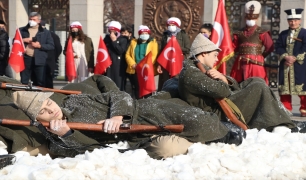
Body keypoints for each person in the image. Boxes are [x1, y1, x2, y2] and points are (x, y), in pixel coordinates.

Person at [1, 75, 243, 160]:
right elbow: (86, 152)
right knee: (168, 145)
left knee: (191, 116)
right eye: (42, 111)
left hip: (143, 112)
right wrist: (67, 135)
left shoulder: (75, 101)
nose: (51, 110)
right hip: (138, 140)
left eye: (49, 103)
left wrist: (117, 115)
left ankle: (225, 130)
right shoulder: (55, 136)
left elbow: (118, 95)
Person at [178, 33, 306, 133]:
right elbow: (222, 91)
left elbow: (232, 86)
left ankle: (282, 120)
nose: (216, 59)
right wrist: (223, 80)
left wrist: (224, 79)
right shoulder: (192, 73)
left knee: (256, 80)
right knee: (258, 87)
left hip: (223, 103)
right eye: (214, 55)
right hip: (218, 112)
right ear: (203, 54)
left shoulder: (201, 68)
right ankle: (284, 124)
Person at [275, 8, 306, 117]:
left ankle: (304, 109)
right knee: (285, 88)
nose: (293, 22)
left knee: (303, 87)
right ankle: (286, 108)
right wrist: (286, 57)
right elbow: (278, 47)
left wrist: (295, 58)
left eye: (296, 20)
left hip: (301, 66)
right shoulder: (283, 34)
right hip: (285, 65)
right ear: (288, 21)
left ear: (300, 20)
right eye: (291, 20)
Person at [229, 1, 274, 84]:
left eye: (253, 17)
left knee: (257, 84)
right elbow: (233, 47)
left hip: (256, 63)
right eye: (248, 17)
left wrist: (261, 56)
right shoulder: (238, 33)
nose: (251, 19)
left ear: (257, 18)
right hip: (240, 63)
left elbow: (270, 47)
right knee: (238, 84)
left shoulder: (262, 32)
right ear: (245, 17)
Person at [19, 12, 54, 86]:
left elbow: (51, 46)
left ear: (39, 21)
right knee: (24, 80)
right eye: (30, 19)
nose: (31, 21)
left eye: (34, 19)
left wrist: (40, 46)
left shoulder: (45, 32)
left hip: (39, 59)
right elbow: (15, 42)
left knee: (40, 81)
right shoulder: (21, 30)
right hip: (25, 58)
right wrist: (23, 40)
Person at [157, 17, 190, 90]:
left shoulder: (182, 34)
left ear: (177, 25)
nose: (171, 26)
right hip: (166, 62)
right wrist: (159, 64)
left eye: (173, 25)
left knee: (177, 81)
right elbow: (162, 50)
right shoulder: (165, 35)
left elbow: (187, 49)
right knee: (166, 82)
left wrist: (175, 48)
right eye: (169, 25)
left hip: (178, 62)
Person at [125, 25, 158, 98]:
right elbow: (127, 54)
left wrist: (145, 64)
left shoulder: (153, 43)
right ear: (139, 34)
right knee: (137, 89)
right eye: (142, 33)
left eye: (146, 33)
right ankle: (138, 105)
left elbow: (154, 55)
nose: (144, 35)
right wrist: (132, 64)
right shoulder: (133, 42)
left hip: (146, 69)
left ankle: (147, 105)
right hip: (136, 69)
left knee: (147, 90)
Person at [104, 21, 128, 91]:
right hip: (108, 65)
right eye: (110, 31)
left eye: (114, 32)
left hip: (118, 66)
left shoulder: (123, 40)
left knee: (118, 84)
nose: (112, 34)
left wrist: (114, 41)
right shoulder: (106, 39)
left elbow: (120, 51)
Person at [40, 20, 62, 88]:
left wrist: (53, 58)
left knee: (47, 80)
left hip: (48, 61)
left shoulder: (52, 35)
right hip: (43, 61)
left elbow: (58, 48)